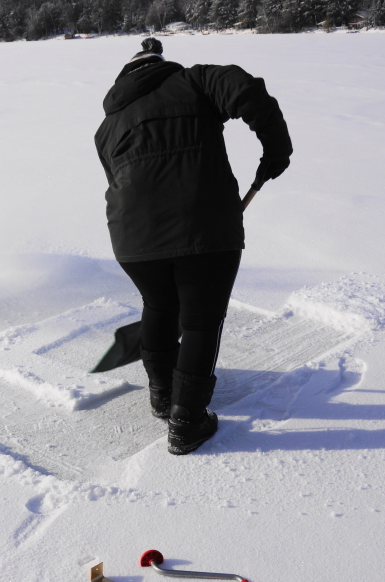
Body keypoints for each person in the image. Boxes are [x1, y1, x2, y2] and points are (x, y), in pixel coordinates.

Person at [94, 37, 292, 455]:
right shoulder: (195, 81)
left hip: (132, 241)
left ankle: (163, 394)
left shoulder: (107, 126)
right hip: (204, 228)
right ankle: (188, 421)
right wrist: (276, 150)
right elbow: (246, 90)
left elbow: (120, 178)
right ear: (160, 66)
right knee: (201, 321)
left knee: (160, 304)